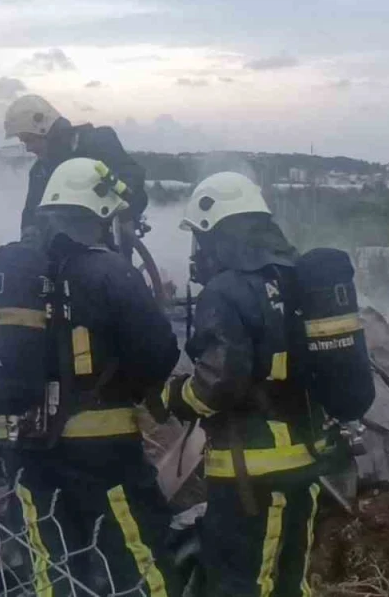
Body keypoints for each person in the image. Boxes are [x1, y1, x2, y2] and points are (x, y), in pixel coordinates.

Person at [0, 156, 179, 597]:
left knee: (52, 566)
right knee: (136, 556)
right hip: (103, 452)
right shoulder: (110, 271)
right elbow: (159, 354)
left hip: (23, 448)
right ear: (101, 214)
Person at [151, 172, 374, 597]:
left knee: (241, 582)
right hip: (307, 461)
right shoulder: (297, 278)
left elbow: (220, 381)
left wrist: (176, 397)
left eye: (200, 237)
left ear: (215, 231)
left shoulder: (227, 290)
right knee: (289, 578)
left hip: (249, 473)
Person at [4, 95, 148, 244]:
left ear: (46, 130)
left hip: (106, 243)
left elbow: (133, 182)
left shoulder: (98, 142)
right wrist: (28, 240)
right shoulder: (40, 172)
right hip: (60, 248)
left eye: (29, 140)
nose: (28, 148)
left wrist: (124, 213)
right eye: (24, 142)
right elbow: (31, 215)